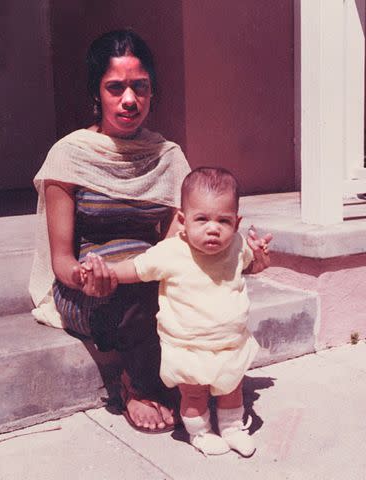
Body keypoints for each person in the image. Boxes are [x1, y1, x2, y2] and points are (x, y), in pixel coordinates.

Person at [29, 29, 191, 433]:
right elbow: (63, 261)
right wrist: (86, 281)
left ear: (153, 92)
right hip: (86, 288)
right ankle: (137, 387)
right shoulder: (70, 154)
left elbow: (179, 240)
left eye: (140, 87)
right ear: (96, 94)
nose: (130, 100)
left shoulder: (168, 157)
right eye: (115, 88)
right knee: (132, 291)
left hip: (144, 279)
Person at [81, 167, 272, 456]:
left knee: (232, 389)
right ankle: (201, 433)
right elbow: (136, 268)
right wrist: (106, 272)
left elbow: (250, 265)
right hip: (187, 345)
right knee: (193, 395)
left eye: (223, 220)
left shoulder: (237, 245)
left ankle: (232, 429)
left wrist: (259, 258)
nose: (213, 228)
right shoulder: (171, 251)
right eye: (202, 219)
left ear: (237, 222)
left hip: (230, 342)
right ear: (183, 221)